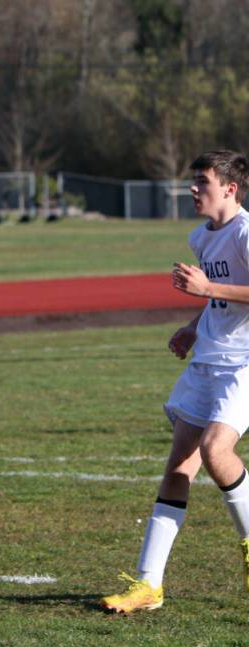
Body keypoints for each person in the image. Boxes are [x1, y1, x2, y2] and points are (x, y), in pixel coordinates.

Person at [101, 150, 249, 614]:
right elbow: (220, 301)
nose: (192, 189)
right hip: (207, 359)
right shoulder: (201, 236)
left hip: (244, 364)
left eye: (201, 181)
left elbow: (221, 289)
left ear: (230, 187)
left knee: (215, 450)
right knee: (178, 467)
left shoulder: (246, 232)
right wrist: (194, 322)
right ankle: (149, 585)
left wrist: (208, 289)